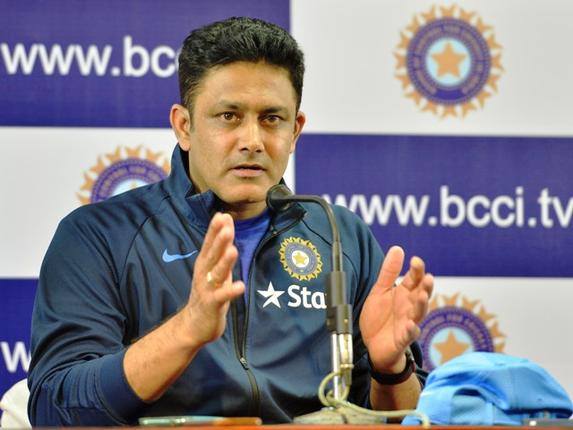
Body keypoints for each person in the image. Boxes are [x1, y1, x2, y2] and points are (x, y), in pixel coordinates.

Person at [27, 17, 434, 425]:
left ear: (295, 131)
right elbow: (55, 409)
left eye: (271, 118)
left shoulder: (340, 235)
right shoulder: (99, 235)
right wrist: (186, 331)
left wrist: (390, 368)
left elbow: (403, 418)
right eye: (229, 116)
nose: (252, 141)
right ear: (184, 126)